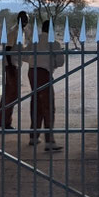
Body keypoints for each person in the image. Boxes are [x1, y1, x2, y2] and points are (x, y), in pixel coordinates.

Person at [28, 19, 65, 151]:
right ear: (52, 30)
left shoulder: (35, 40)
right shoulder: (54, 43)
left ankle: (33, 136)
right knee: (48, 105)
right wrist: (53, 62)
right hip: (44, 73)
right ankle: (49, 141)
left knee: (36, 102)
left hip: (32, 72)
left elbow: (25, 56)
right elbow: (61, 62)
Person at [0, 11, 29, 129]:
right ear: (20, 20)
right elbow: (7, 49)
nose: (26, 21)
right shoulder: (14, 32)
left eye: (27, 19)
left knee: (8, 93)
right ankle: (6, 121)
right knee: (13, 94)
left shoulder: (22, 32)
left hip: (16, 64)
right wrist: (10, 66)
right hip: (12, 65)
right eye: (25, 19)